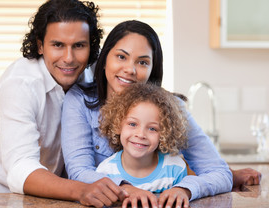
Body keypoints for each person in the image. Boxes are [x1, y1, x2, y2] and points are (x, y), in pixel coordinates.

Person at [0, 0, 128, 208]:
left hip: (44, 187)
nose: (69, 58)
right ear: (40, 46)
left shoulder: (93, 75)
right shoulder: (20, 84)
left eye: (79, 46)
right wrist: (82, 189)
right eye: (58, 45)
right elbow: (20, 167)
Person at [61, 20, 261, 208]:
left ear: (152, 70)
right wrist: (125, 189)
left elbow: (219, 172)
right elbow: (79, 173)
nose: (130, 69)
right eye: (121, 57)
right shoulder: (79, 101)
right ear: (104, 60)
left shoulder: (171, 107)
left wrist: (185, 188)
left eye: (143, 62)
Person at [96, 83, 190, 207]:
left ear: (165, 133)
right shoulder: (105, 172)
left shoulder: (175, 168)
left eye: (152, 128)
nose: (141, 135)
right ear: (118, 126)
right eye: (133, 124)